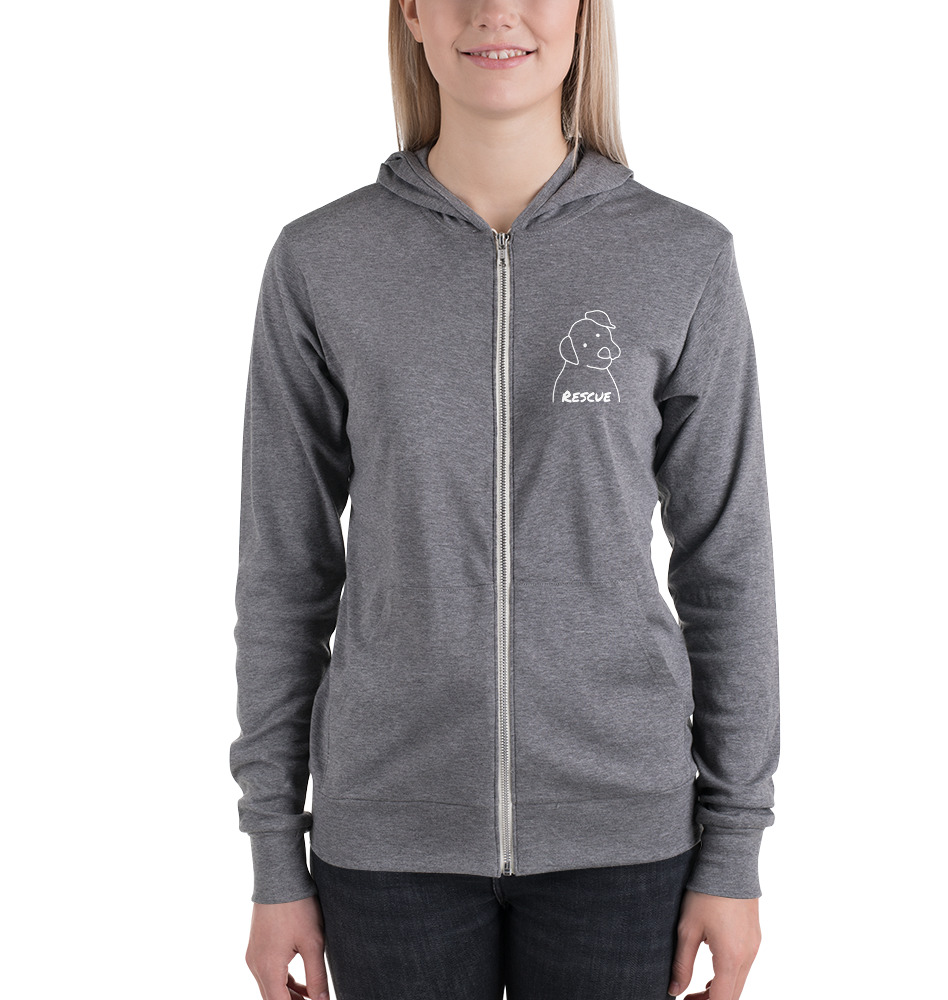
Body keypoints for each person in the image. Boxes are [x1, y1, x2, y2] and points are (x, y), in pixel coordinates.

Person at [230, 1, 780, 998]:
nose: (495, 12)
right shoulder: (321, 261)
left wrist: (734, 845)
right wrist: (275, 855)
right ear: (411, 12)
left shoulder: (681, 256)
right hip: (387, 840)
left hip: (624, 838)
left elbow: (727, 566)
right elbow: (284, 572)